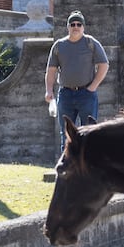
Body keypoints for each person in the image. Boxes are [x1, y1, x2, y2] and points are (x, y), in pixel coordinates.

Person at [46, 11, 108, 149]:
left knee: (89, 132)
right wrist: (49, 91)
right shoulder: (59, 46)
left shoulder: (91, 43)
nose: (75, 27)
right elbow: (51, 70)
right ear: (68, 27)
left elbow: (104, 65)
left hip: (87, 94)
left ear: (83, 27)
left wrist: (93, 86)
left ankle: (88, 166)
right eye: (72, 24)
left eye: (79, 24)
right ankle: (68, 168)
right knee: (66, 134)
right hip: (65, 95)